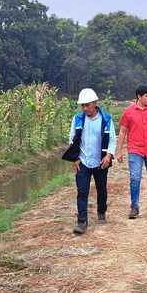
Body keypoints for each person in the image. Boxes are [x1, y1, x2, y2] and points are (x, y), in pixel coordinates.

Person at [62, 88, 116, 234]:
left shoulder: (106, 120)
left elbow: (112, 139)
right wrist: (75, 158)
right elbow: (72, 139)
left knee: (101, 189)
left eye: (87, 105)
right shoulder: (78, 119)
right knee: (82, 191)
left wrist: (108, 155)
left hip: (100, 161)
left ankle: (101, 210)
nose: (85, 108)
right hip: (83, 161)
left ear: (95, 103)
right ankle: (81, 221)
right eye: (83, 105)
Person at [116, 85, 147, 219]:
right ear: (139, 97)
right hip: (135, 149)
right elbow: (122, 131)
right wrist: (119, 151)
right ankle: (134, 206)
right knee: (135, 178)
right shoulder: (128, 111)